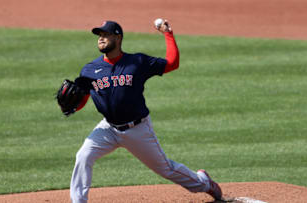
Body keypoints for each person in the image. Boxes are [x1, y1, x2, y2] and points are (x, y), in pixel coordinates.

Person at [69, 20, 222, 203]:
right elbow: (81, 100)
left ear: (118, 37)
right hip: (108, 128)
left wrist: (168, 34)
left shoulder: (137, 62)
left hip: (137, 129)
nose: (101, 39)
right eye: (99, 36)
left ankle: (204, 183)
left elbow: (172, 63)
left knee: (166, 169)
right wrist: (71, 106)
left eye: (105, 35)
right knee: (83, 156)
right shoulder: (89, 70)